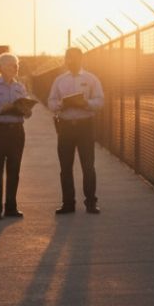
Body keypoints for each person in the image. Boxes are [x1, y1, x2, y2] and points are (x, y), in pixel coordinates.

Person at [48, 47, 104, 214]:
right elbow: (50, 101)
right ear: (66, 60)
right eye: (69, 58)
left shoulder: (91, 79)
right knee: (65, 167)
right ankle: (68, 203)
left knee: (88, 166)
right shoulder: (59, 80)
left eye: (75, 58)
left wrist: (86, 104)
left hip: (85, 126)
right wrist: (61, 105)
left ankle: (91, 203)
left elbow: (100, 100)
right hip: (65, 127)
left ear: (81, 59)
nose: (71, 61)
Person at [0, 53, 32, 220]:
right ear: (0, 68)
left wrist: (27, 110)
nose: (14, 68)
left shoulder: (20, 87)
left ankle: (11, 207)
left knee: (14, 170)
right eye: (10, 65)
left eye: (15, 65)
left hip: (16, 131)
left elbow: (26, 111)